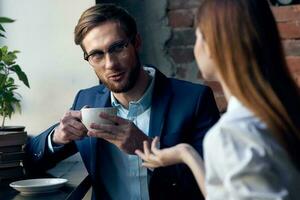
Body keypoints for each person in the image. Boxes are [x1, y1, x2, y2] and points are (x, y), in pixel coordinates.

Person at [23, 3, 220, 200]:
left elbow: (215, 184)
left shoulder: (194, 100)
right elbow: (30, 159)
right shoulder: (86, 100)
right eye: (97, 54)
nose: (111, 64)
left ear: (137, 42)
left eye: (117, 47)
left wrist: (147, 148)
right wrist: (57, 137)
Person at [136, 0, 300, 199]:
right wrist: (186, 154)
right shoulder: (281, 110)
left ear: (212, 46)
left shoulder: (232, 134)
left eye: (197, 36)